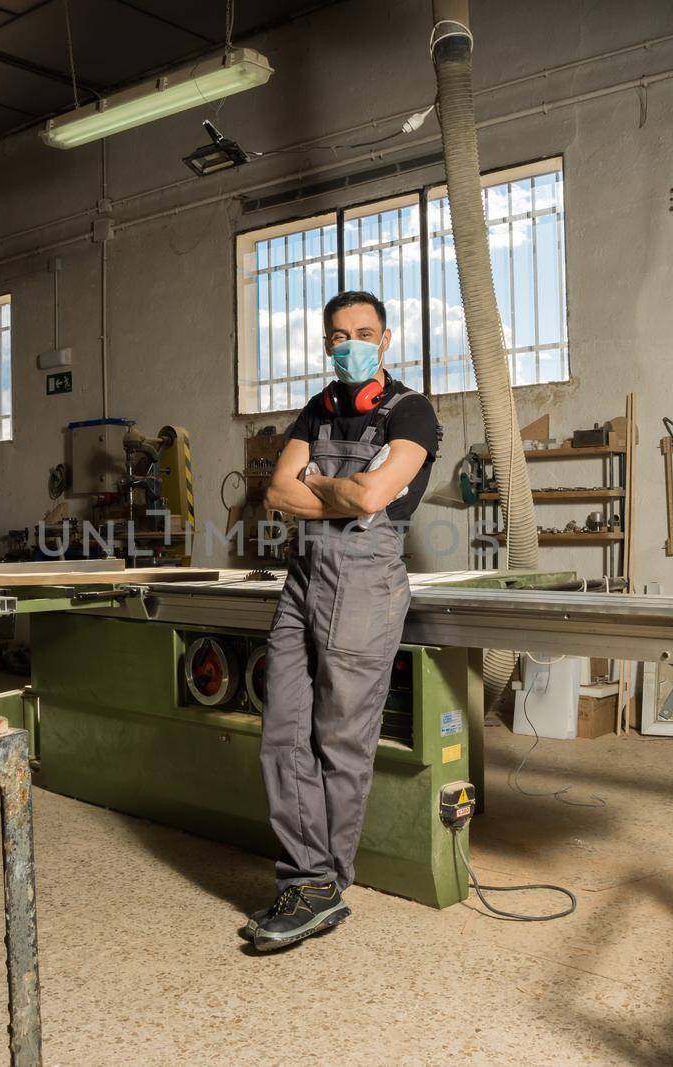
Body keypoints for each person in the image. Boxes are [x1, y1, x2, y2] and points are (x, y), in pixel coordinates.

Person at [249, 290, 441, 951]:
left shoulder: (411, 410)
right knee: (282, 731)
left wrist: (325, 487)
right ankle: (306, 878)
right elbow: (277, 490)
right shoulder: (318, 406)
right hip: (302, 578)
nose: (349, 342)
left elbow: (376, 494)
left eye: (362, 331)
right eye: (337, 335)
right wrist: (346, 493)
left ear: (385, 339)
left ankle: (327, 882)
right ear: (326, 344)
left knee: (339, 739)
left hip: (363, 581)